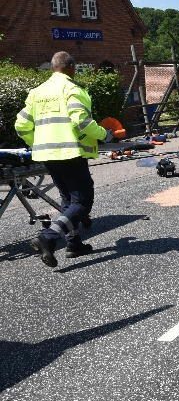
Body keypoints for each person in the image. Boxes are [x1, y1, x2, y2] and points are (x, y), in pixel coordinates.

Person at [15, 51, 111, 267]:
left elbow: (20, 125)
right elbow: (82, 122)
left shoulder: (36, 92)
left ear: (52, 68)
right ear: (72, 68)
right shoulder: (73, 90)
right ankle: (48, 237)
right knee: (82, 201)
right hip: (69, 153)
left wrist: (36, 141)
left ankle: (74, 243)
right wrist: (105, 135)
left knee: (67, 199)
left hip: (46, 154)